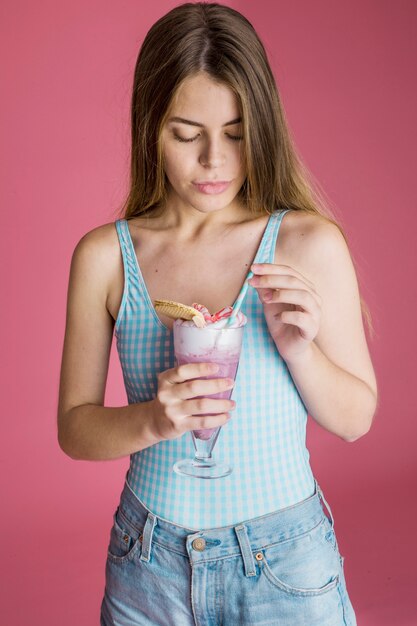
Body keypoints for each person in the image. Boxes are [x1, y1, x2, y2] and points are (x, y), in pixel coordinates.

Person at [57, 3, 378, 624]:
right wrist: (154, 418)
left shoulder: (306, 244)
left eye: (235, 133)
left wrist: (300, 349)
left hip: (284, 564)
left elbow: (357, 420)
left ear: (263, 126)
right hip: (147, 565)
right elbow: (74, 428)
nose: (214, 161)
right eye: (186, 134)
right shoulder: (107, 257)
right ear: (150, 127)